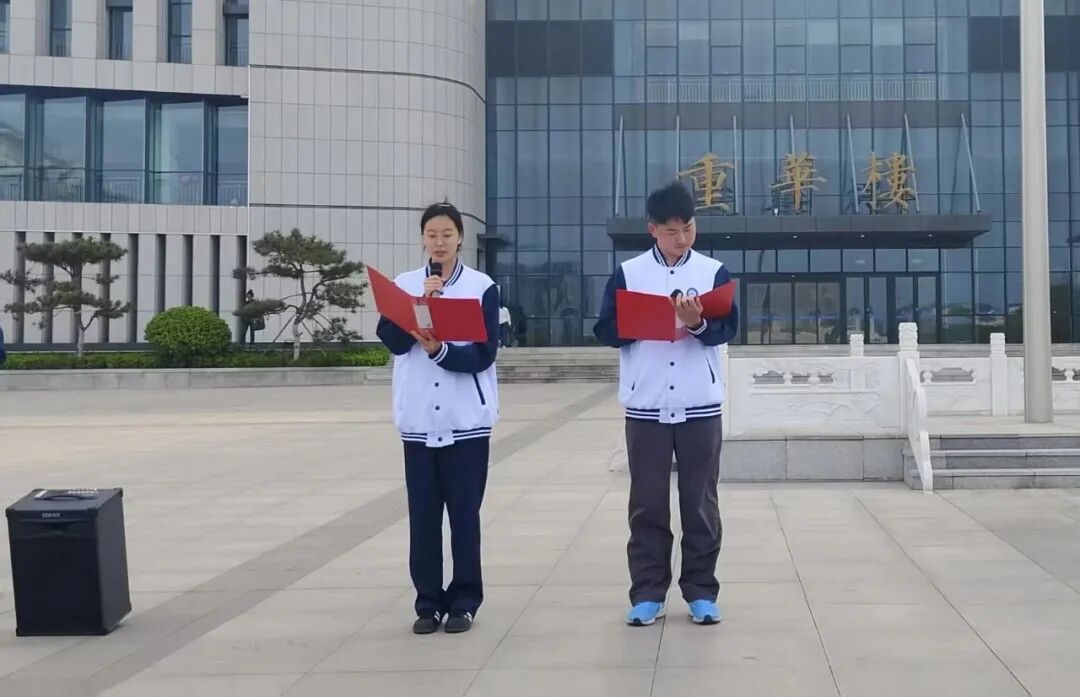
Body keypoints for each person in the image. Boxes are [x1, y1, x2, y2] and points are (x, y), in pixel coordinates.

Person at [593, 180, 740, 628]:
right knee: (647, 504)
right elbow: (605, 329)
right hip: (647, 406)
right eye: (672, 231)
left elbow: (728, 328)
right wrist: (642, 321)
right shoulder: (629, 273)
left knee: (700, 504)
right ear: (652, 229)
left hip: (699, 406)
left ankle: (701, 591)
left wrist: (697, 324)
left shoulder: (713, 271)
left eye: (688, 228)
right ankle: (648, 593)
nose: (681, 238)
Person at [376, 201, 501, 636]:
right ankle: (428, 602)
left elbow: (484, 354)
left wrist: (441, 351)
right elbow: (393, 342)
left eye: (447, 234)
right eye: (432, 234)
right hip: (418, 423)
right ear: (422, 239)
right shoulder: (405, 285)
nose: (440, 242)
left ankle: (464, 601)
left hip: (466, 422)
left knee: (464, 516)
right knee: (424, 518)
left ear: (460, 238)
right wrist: (420, 304)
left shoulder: (482, 287)